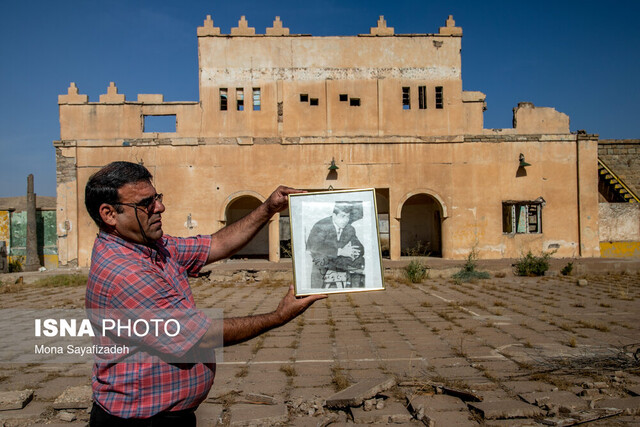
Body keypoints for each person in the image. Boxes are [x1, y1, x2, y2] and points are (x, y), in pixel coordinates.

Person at [84, 161, 326, 426]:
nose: (160, 207)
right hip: (140, 420)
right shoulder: (127, 273)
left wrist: (268, 208)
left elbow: (216, 245)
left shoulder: (151, 247)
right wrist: (279, 316)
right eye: (146, 204)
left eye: (157, 198)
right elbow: (200, 336)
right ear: (109, 214)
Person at [306, 201, 365, 289]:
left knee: (361, 260)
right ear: (334, 215)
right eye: (342, 216)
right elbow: (314, 247)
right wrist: (340, 251)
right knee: (320, 260)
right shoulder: (321, 226)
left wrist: (354, 253)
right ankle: (315, 292)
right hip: (323, 258)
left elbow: (360, 248)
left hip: (339, 260)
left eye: (347, 217)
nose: (345, 220)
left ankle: (354, 291)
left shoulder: (349, 228)